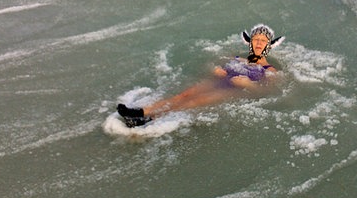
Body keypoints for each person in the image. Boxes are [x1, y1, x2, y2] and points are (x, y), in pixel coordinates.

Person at [116, 24, 285, 127]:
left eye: (263, 41)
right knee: (184, 94)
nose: (258, 43)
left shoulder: (269, 69)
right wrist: (215, 70)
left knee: (195, 101)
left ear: (268, 45)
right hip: (220, 81)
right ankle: (139, 111)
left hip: (234, 90)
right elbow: (212, 64)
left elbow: (266, 91)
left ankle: (148, 120)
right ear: (250, 41)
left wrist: (248, 84)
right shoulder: (237, 58)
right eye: (256, 39)